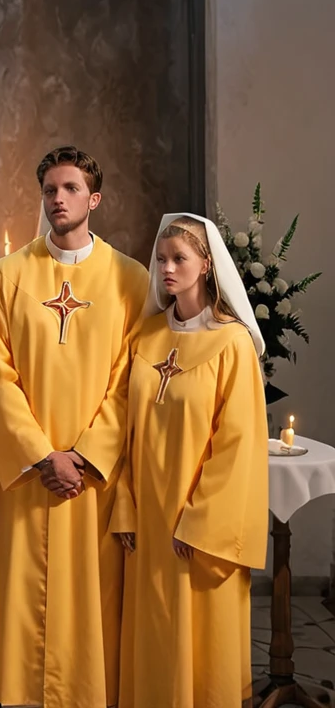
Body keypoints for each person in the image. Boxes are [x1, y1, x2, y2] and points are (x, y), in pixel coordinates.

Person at [0, 146, 149, 708]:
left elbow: (132, 377)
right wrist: (40, 453)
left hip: (93, 477)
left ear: (94, 199)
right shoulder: (8, 276)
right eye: (50, 189)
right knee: (25, 596)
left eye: (71, 189)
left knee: (92, 599)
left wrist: (85, 454)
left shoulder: (130, 278)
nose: (58, 199)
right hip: (31, 475)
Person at [113, 214, 268, 708]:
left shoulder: (232, 344)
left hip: (196, 532)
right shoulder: (147, 337)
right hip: (148, 525)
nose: (167, 269)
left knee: (200, 653)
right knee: (155, 644)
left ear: (206, 265)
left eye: (179, 258)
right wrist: (125, 506)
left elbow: (237, 443)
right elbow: (125, 429)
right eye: (161, 259)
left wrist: (199, 523)